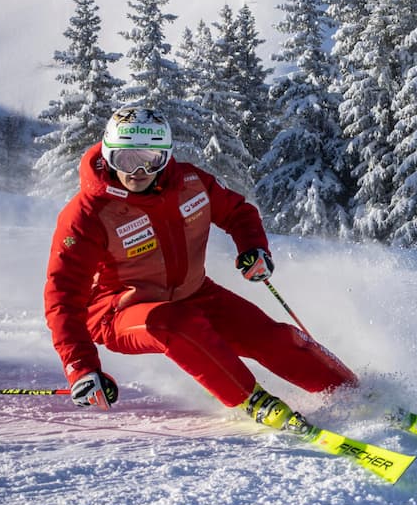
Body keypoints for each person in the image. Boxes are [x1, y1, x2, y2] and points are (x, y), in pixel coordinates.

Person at [44, 106, 355, 427]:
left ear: (166, 157)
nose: (138, 171)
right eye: (126, 159)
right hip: (119, 311)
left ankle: (353, 393)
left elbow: (238, 212)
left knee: (271, 337)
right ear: (109, 156)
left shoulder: (190, 182)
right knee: (174, 323)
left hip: (195, 293)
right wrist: (80, 367)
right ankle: (251, 399)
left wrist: (253, 248)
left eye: (151, 158)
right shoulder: (87, 215)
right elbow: (62, 297)